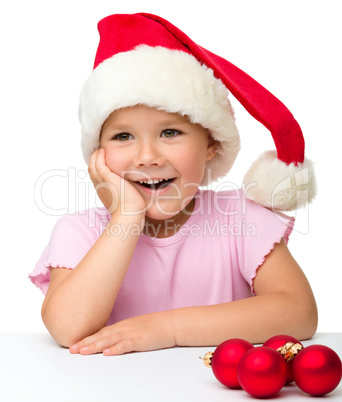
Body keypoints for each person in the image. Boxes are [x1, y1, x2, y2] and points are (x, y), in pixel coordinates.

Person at [29, 13, 318, 356]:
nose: (147, 157)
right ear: (98, 154)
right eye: (123, 136)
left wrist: (166, 328)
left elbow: (299, 313)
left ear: (211, 144)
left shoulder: (241, 217)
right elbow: (67, 327)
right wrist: (126, 217)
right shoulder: (80, 231)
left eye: (170, 132)